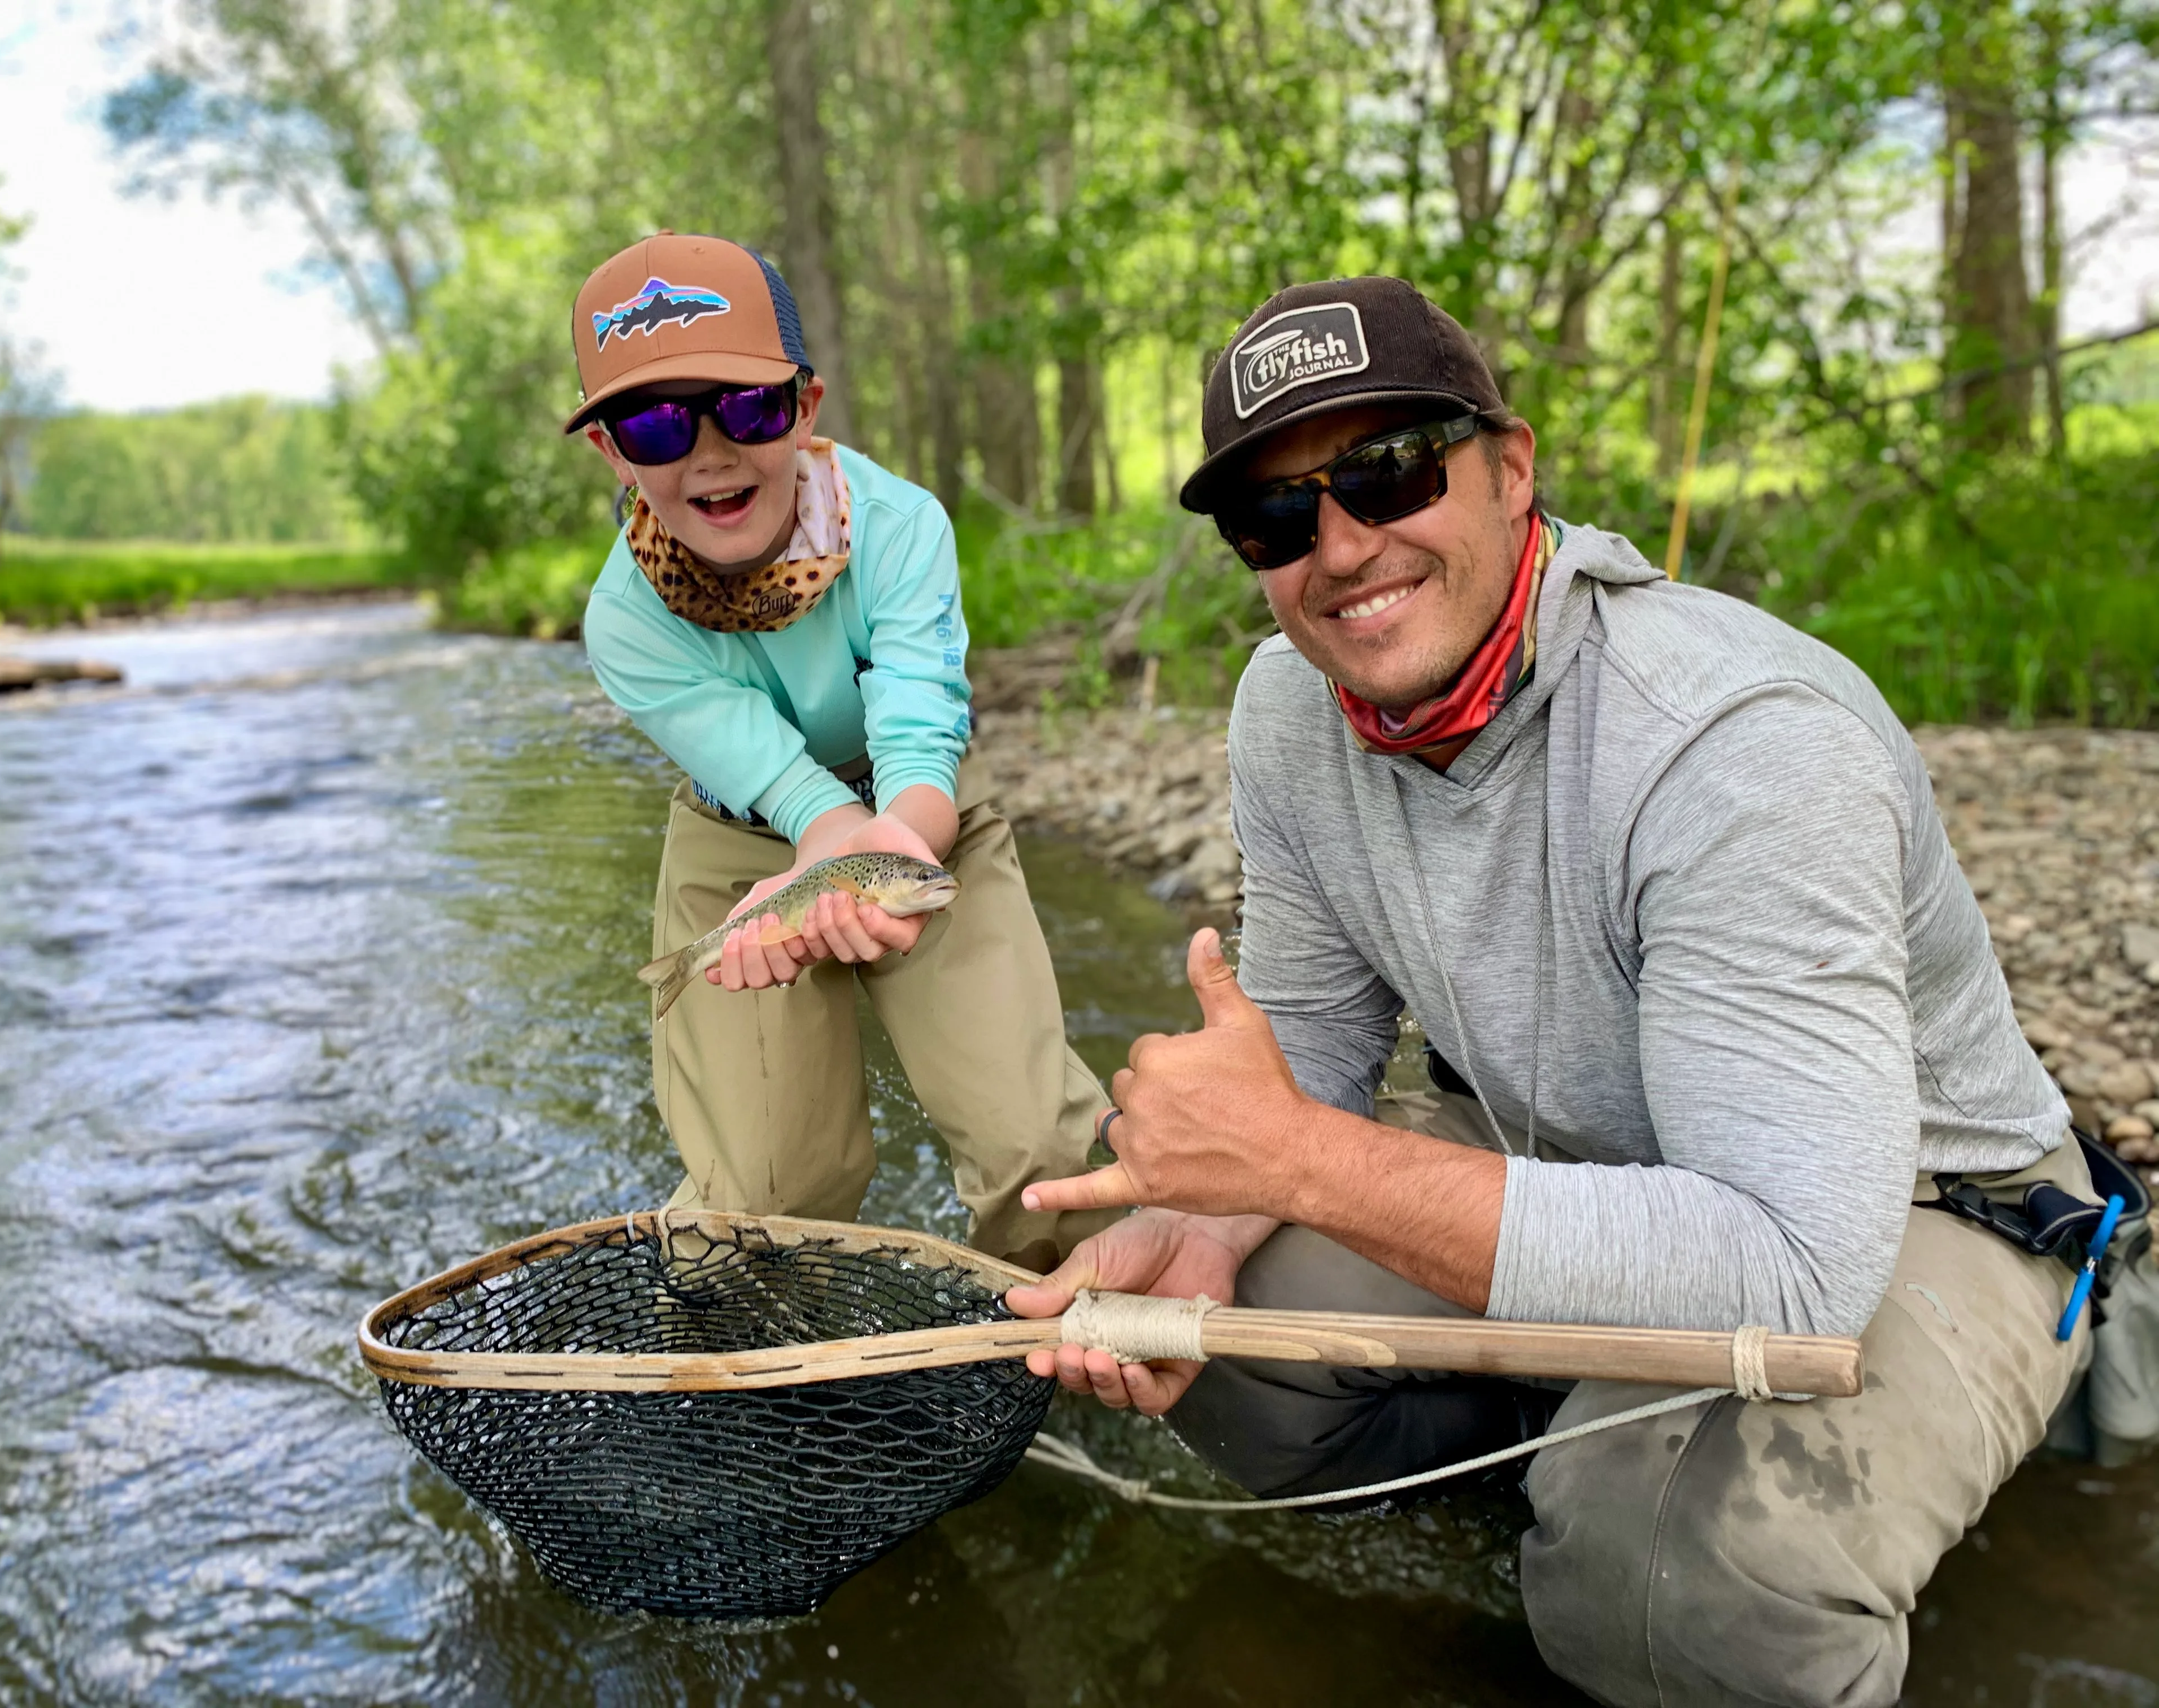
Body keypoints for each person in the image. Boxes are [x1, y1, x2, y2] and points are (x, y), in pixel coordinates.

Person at [1008, 276, 2111, 1705]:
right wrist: (1201, 1220)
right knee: (1208, 1347)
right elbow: (1320, 1043)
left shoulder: (1735, 742)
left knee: (1675, 1580)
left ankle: (1649, 1527)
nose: (1342, 548)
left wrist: (1298, 1158)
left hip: (1904, 1206)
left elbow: (1793, 1273)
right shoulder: (1288, 710)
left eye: (1390, 472)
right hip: (1592, 1159)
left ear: (1511, 469)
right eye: (1278, 518)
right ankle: (1572, 1459)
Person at [569, 231, 1111, 1272]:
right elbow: (788, 790)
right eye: (653, 423)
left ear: (806, 408)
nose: (710, 452)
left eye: (749, 407)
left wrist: (885, 861)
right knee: (767, 1196)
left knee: (1040, 1148)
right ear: (612, 451)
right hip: (739, 842)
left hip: (923, 814)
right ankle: (772, 1386)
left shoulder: (904, 529)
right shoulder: (623, 623)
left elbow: (917, 742)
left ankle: (1072, 1346)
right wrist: (827, 861)